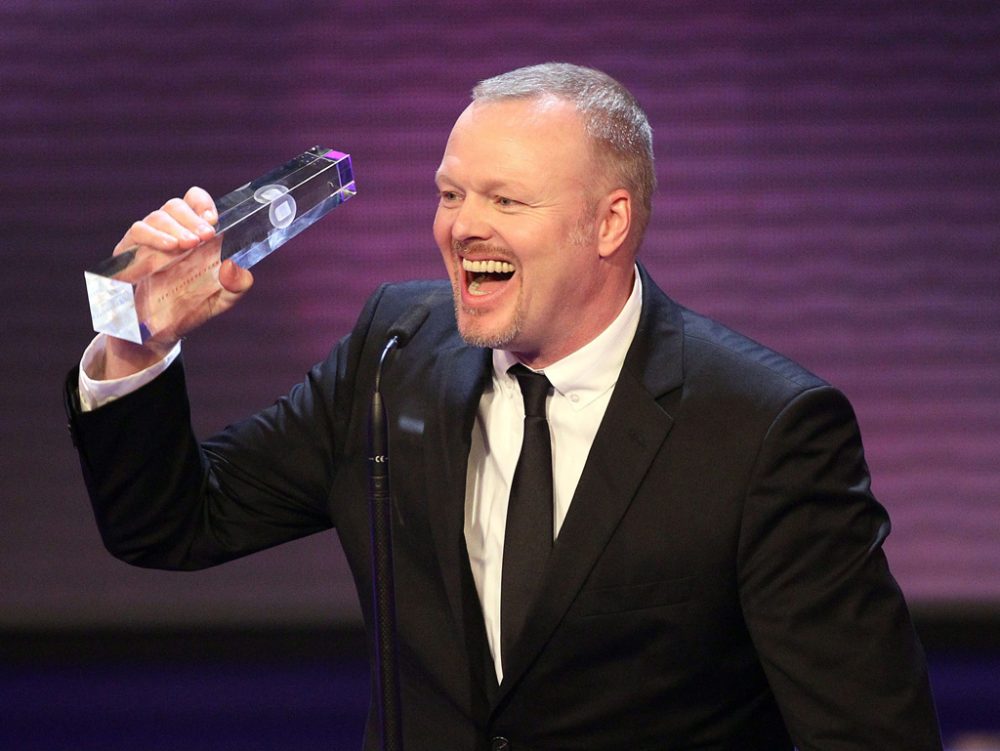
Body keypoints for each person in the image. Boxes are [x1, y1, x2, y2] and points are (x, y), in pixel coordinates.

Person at [66, 63, 942, 749]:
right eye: (451, 193)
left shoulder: (765, 430)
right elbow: (173, 522)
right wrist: (137, 346)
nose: (460, 227)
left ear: (609, 223)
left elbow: (867, 734)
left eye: (504, 200)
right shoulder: (392, 354)